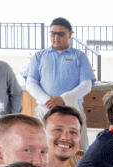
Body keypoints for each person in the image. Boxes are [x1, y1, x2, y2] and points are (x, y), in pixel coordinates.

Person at [25, 17, 96, 148]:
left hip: (73, 110)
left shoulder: (80, 56)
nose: (56, 37)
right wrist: (49, 101)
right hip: (44, 110)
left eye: (60, 34)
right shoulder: (38, 56)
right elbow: (30, 82)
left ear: (70, 34)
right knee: (40, 148)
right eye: (53, 33)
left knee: (77, 148)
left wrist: (63, 99)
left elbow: (86, 84)